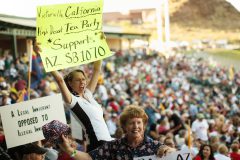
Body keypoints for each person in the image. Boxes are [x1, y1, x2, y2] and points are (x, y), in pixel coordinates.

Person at [34, 43, 112, 152]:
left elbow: (97, 70)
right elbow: (60, 80)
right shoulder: (72, 101)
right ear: (70, 83)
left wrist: (100, 44)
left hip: (108, 141)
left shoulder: (88, 94)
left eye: (83, 79)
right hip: (97, 144)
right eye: (77, 80)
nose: (82, 82)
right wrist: (42, 55)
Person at [58, 105, 174, 160]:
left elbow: (177, 155)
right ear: (124, 126)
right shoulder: (113, 146)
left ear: (144, 125)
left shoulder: (155, 146)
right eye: (131, 123)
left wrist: (171, 152)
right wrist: (70, 151)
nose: (136, 126)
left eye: (139, 122)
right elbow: (89, 157)